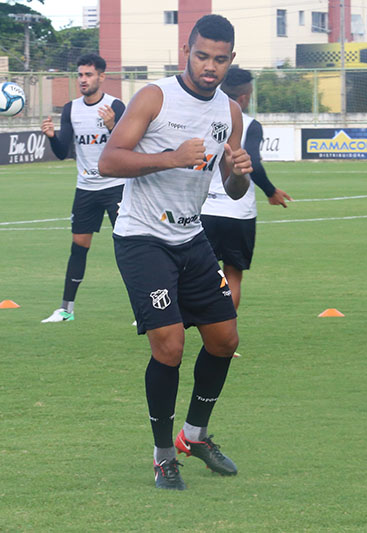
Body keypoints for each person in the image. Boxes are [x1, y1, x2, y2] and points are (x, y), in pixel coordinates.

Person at [98, 14, 252, 490]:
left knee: (225, 340)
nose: (210, 66)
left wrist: (241, 171)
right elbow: (109, 161)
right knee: (170, 345)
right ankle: (164, 453)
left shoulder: (229, 112)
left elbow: (230, 182)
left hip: (192, 238)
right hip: (142, 238)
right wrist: (171, 157)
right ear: (187, 49)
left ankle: (195, 435)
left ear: (231, 60)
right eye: (203, 56)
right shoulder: (155, 97)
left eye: (220, 59)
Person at [40, 53, 126, 323]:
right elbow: (64, 151)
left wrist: (113, 127)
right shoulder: (71, 109)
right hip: (86, 189)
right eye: (80, 75)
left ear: (101, 76)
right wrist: (52, 137)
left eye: (88, 75)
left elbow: (128, 147)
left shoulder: (116, 106)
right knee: (78, 247)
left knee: (131, 247)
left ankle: (144, 308)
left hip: (117, 187)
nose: (83, 80)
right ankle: (66, 309)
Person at [201, 67, 292, 315]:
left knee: (198, 274)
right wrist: (271, 191)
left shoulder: (203, 117)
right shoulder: (250, 124)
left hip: (204, 209)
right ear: (244, 97)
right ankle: (225, 337)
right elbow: (253, 163)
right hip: (238, 212)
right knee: (233, 275)